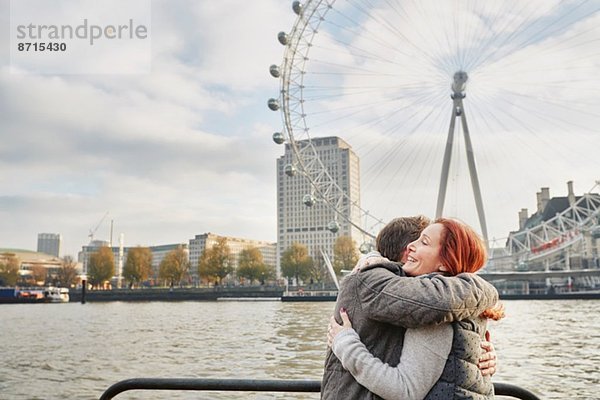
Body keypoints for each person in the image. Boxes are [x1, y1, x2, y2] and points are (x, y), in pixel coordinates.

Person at [321, 216, 501, 400]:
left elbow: (406, 389)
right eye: (416, 240)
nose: (412, 247)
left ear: (445, 261)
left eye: (424, 242)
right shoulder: (376, 283)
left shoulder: (437, 311)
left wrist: (345, 343)